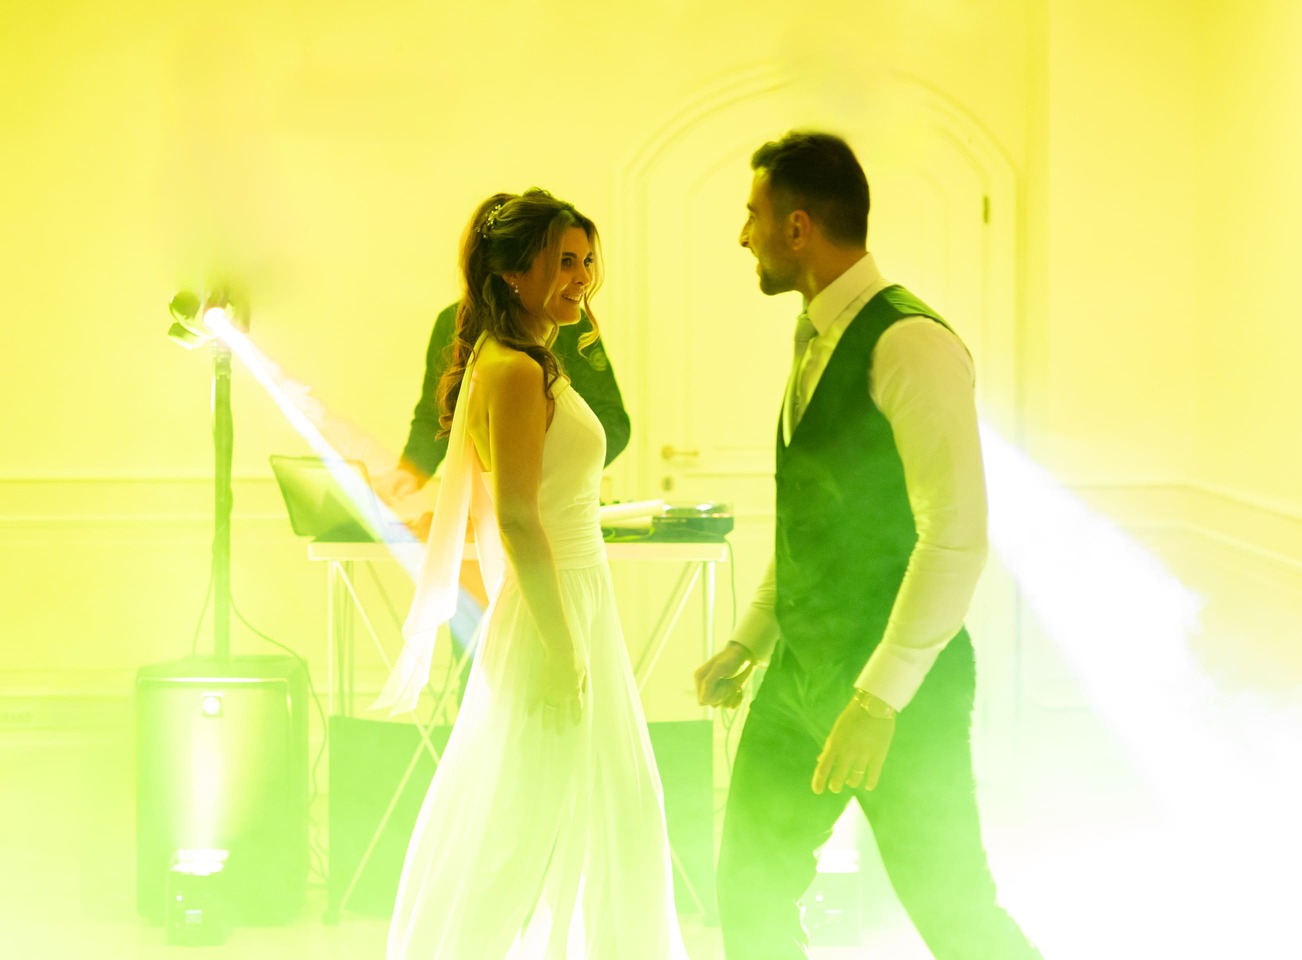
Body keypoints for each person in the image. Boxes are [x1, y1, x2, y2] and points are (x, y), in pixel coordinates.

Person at [694, 132, 1043, 959]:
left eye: (753, 215)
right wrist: (750, 639)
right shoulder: (816, 336)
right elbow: (813, 519)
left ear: (798, 227)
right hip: (796, 680)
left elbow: (955, 539)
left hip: (904, 695)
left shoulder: (910, 344)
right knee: (748, 890)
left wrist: (878, 700)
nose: (743, 235)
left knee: (956, 917)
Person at [374, 188, 687, 959]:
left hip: (574, 597)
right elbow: (517, 516)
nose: (582, 278)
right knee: (525, 820)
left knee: (593, 805)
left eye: (586, 261)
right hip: (557, 607)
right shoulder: (513, 369)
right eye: (563, 262)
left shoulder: (527, 358)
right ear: (514, 273)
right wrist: (560, 644)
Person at [374, 302, 630, 505]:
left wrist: (557, 476)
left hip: (558, 500)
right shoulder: (452, 324)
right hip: (478, 503)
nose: (584, 278)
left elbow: (612, 421)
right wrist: (411, 469)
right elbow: (436, 415)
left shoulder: (570, 322)